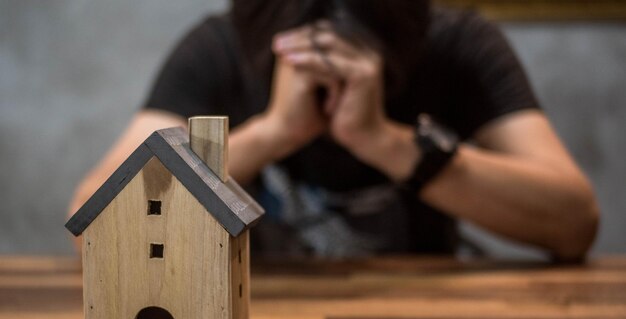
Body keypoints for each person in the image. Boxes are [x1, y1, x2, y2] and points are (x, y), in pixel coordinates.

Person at [69, 0, 599, 260]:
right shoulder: (220, 48)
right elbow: (94, 223)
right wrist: (273, 133)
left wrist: (385, 142)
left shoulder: (457, 44)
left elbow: (575, 223)